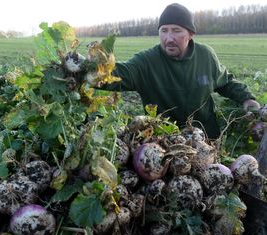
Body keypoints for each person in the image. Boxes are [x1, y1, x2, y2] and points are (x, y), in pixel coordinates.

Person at [100, 3, 260, 139]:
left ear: (190, 34)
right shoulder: (146, 62)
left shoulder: (205, 56)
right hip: (164, 144)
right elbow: (116, 74)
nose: (169, 38)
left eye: (176, 31)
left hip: (207, 141)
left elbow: (226, 82)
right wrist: (84, 69)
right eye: (164, 30)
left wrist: (247, 99)